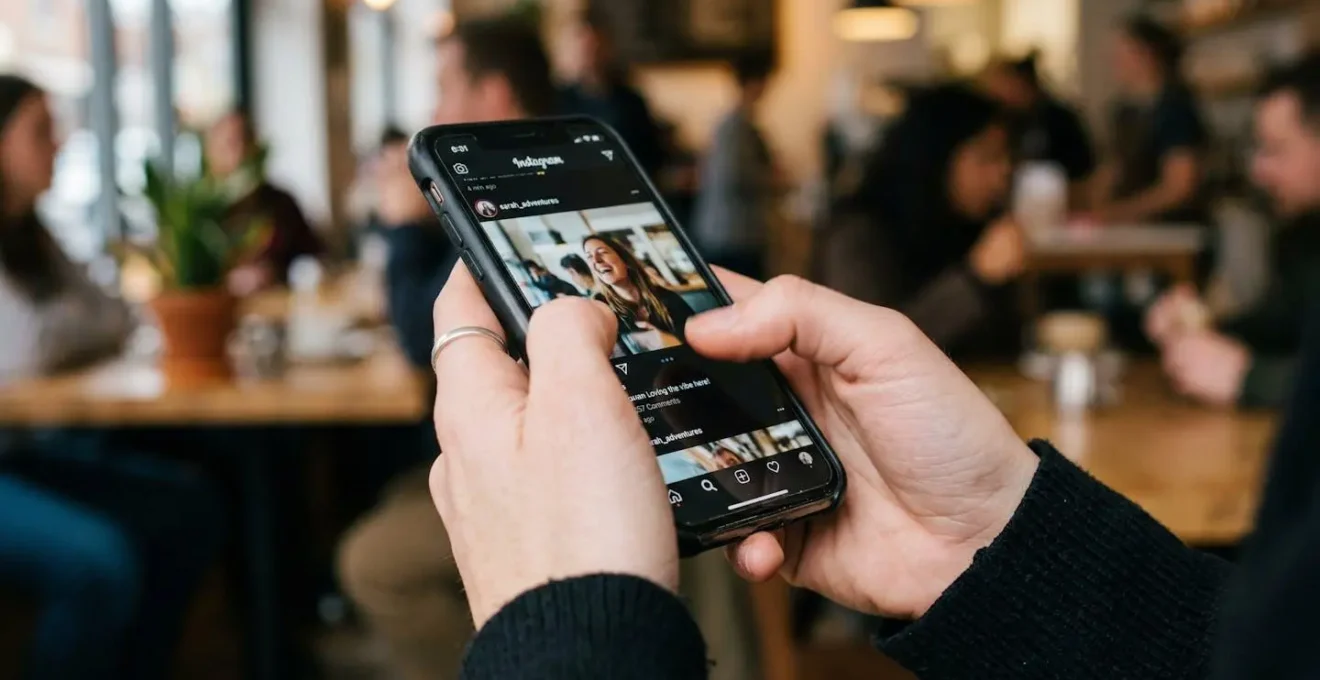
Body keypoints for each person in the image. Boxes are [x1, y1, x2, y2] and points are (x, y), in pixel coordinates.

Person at [335, 17, 560, 680]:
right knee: (394, 489)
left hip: (542, 466)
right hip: (527, 442)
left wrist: (404, 228)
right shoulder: (537, 171)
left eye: (443, 88)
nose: (432, 112)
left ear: (491, 97)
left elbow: (419, 340)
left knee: (367, 563)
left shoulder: (507, 195)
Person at [0, 74, 223, 680]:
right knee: (98, 561)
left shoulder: (34, 234)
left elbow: (120, 314)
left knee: (189, 507)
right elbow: (25, 348)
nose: (61, 143)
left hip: (24, 454)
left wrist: (66, 325)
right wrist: (74, 325)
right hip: (14, 461)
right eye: (41, 131)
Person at [1145, 53, 1320, 408]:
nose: (1258, 170)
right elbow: (1283, 326)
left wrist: (1248, 377)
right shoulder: (1302, 233)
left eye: (1275, 150)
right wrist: (1202, 326)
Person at [819, 84, 1026, 358]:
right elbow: (871, 350)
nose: (1002, 174)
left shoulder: (973, 223)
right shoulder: (859, 231)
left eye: (1005, 158)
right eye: (987, 158)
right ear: (936, 157)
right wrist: (976, 278)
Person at [1092, 15, 1208, 227]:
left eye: (1122, 52)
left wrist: (1117, 213)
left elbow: (1180, 186)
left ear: (1148, 55)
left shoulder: (1175, 110)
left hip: (1172, 231)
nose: (1114, 61)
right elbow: (1111, 173)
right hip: (1131, 230)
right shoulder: (1123, 112)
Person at [204, 109, 323, 295]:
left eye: (246, 141)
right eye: (229, 145)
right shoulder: (200, 212)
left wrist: (274, 273)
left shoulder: (282, 204)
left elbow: (314, 259)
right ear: (210, 152)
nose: (239, 154)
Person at [691, 52, 779, 280]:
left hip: (729, 232)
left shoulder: (736, 124)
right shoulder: (735, 127)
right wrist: (773, 179)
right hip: (732, 235)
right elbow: (734, 178)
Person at [558, 7, 666, 177]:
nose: (589, 55)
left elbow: (652, 157)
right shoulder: (558, 100)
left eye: (594, 47)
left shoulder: (631, 102)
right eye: (583, 48)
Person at [981, 51, 1097, 209]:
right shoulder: (1004, 121)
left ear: (1020, 82)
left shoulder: (1058, 119)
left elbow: (1084, 170)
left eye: (1002, 83)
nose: (995, 91)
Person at [582, 234, 696, 352]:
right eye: (589, 257)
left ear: (624, 260)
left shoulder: (666, 297)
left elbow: (698, 340)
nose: (596, 260)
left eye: (602, 252)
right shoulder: (598, 309)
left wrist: (665, 340)